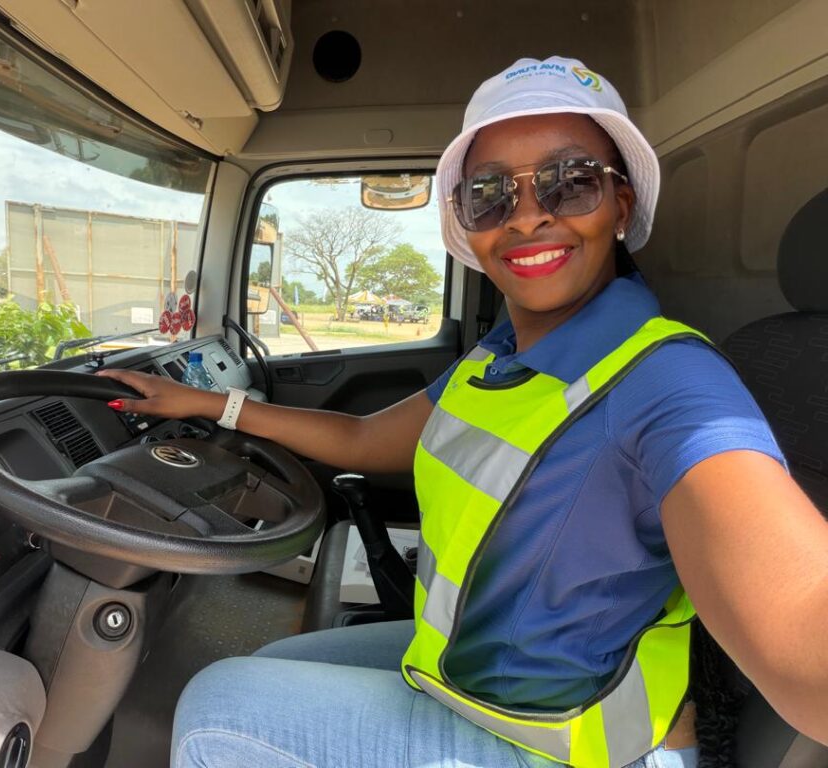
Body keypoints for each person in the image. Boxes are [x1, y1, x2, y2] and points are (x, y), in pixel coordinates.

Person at [98, 56, 828, 768]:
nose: (529, 216)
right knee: (275, 661)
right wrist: (209, 404)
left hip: (575, 742)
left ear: (622, 204)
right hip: (487, 676)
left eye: (572, 182)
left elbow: (803, 626)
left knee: (220, 706)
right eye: (490, 195)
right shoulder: (497, 358)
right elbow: (362, 438)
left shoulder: (668, 381)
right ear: (465, 226)